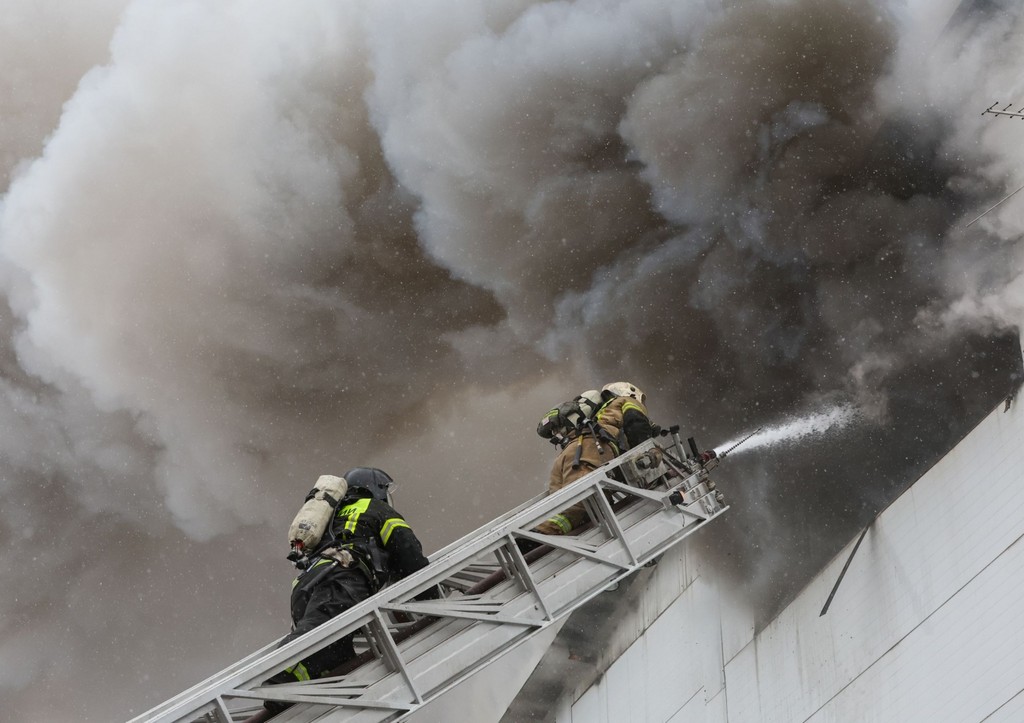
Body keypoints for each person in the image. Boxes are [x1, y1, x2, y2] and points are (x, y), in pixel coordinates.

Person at [264, 467, 437, 711]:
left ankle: (303, 697)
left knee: (337, 658)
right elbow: (408, 552)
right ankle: (280, 675)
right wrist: (432, 597)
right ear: (375, 487)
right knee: (317, 635)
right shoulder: (376, 509)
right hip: (341, 580)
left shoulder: (332, 516)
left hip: (307, 587)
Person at [534, 381, 655, 536]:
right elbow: (637, 427)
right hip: (588, 449)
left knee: (559, 505)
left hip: (570, 453)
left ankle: (536, 541)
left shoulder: (597, 417)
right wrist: (646, 453)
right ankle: (538, 538)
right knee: (583, 502)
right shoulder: (626, 402)